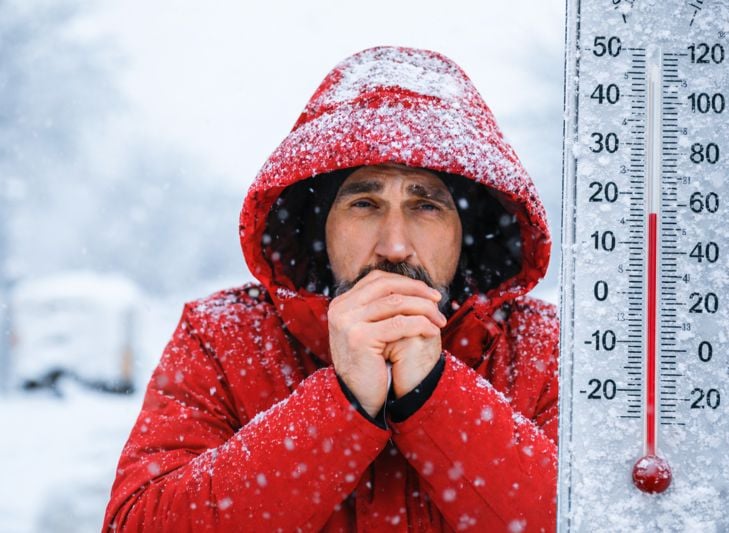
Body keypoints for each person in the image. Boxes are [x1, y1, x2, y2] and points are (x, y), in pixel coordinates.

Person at [104, 46, 559, 532]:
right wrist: (341, 403)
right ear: (320, 225)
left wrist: (434, 393)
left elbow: (592, 516)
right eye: (364, 203)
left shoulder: (546, 346)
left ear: (465, 230)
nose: (395, 246)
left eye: (426, 205)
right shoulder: (223, 337)